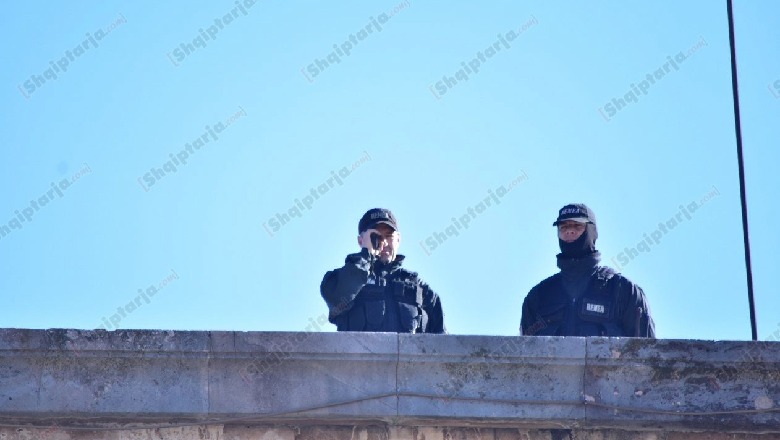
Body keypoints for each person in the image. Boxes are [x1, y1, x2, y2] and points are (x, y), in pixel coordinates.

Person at [520, 203, 655, 337]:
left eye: (577, 226)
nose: (569, 231)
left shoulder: (623, 290)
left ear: (591, 231)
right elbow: (523, 354)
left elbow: (646, 353)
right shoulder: (539, 296)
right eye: (564, 227)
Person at [320, 208, 446, 333]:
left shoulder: (421, 290)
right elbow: (338, 299)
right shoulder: (340, 279)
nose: (384, 242)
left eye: (389, 235)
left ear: (398, 240)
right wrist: (365, 255)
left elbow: (442, 345)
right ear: (361, 241)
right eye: (376, 236)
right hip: (359, 353)